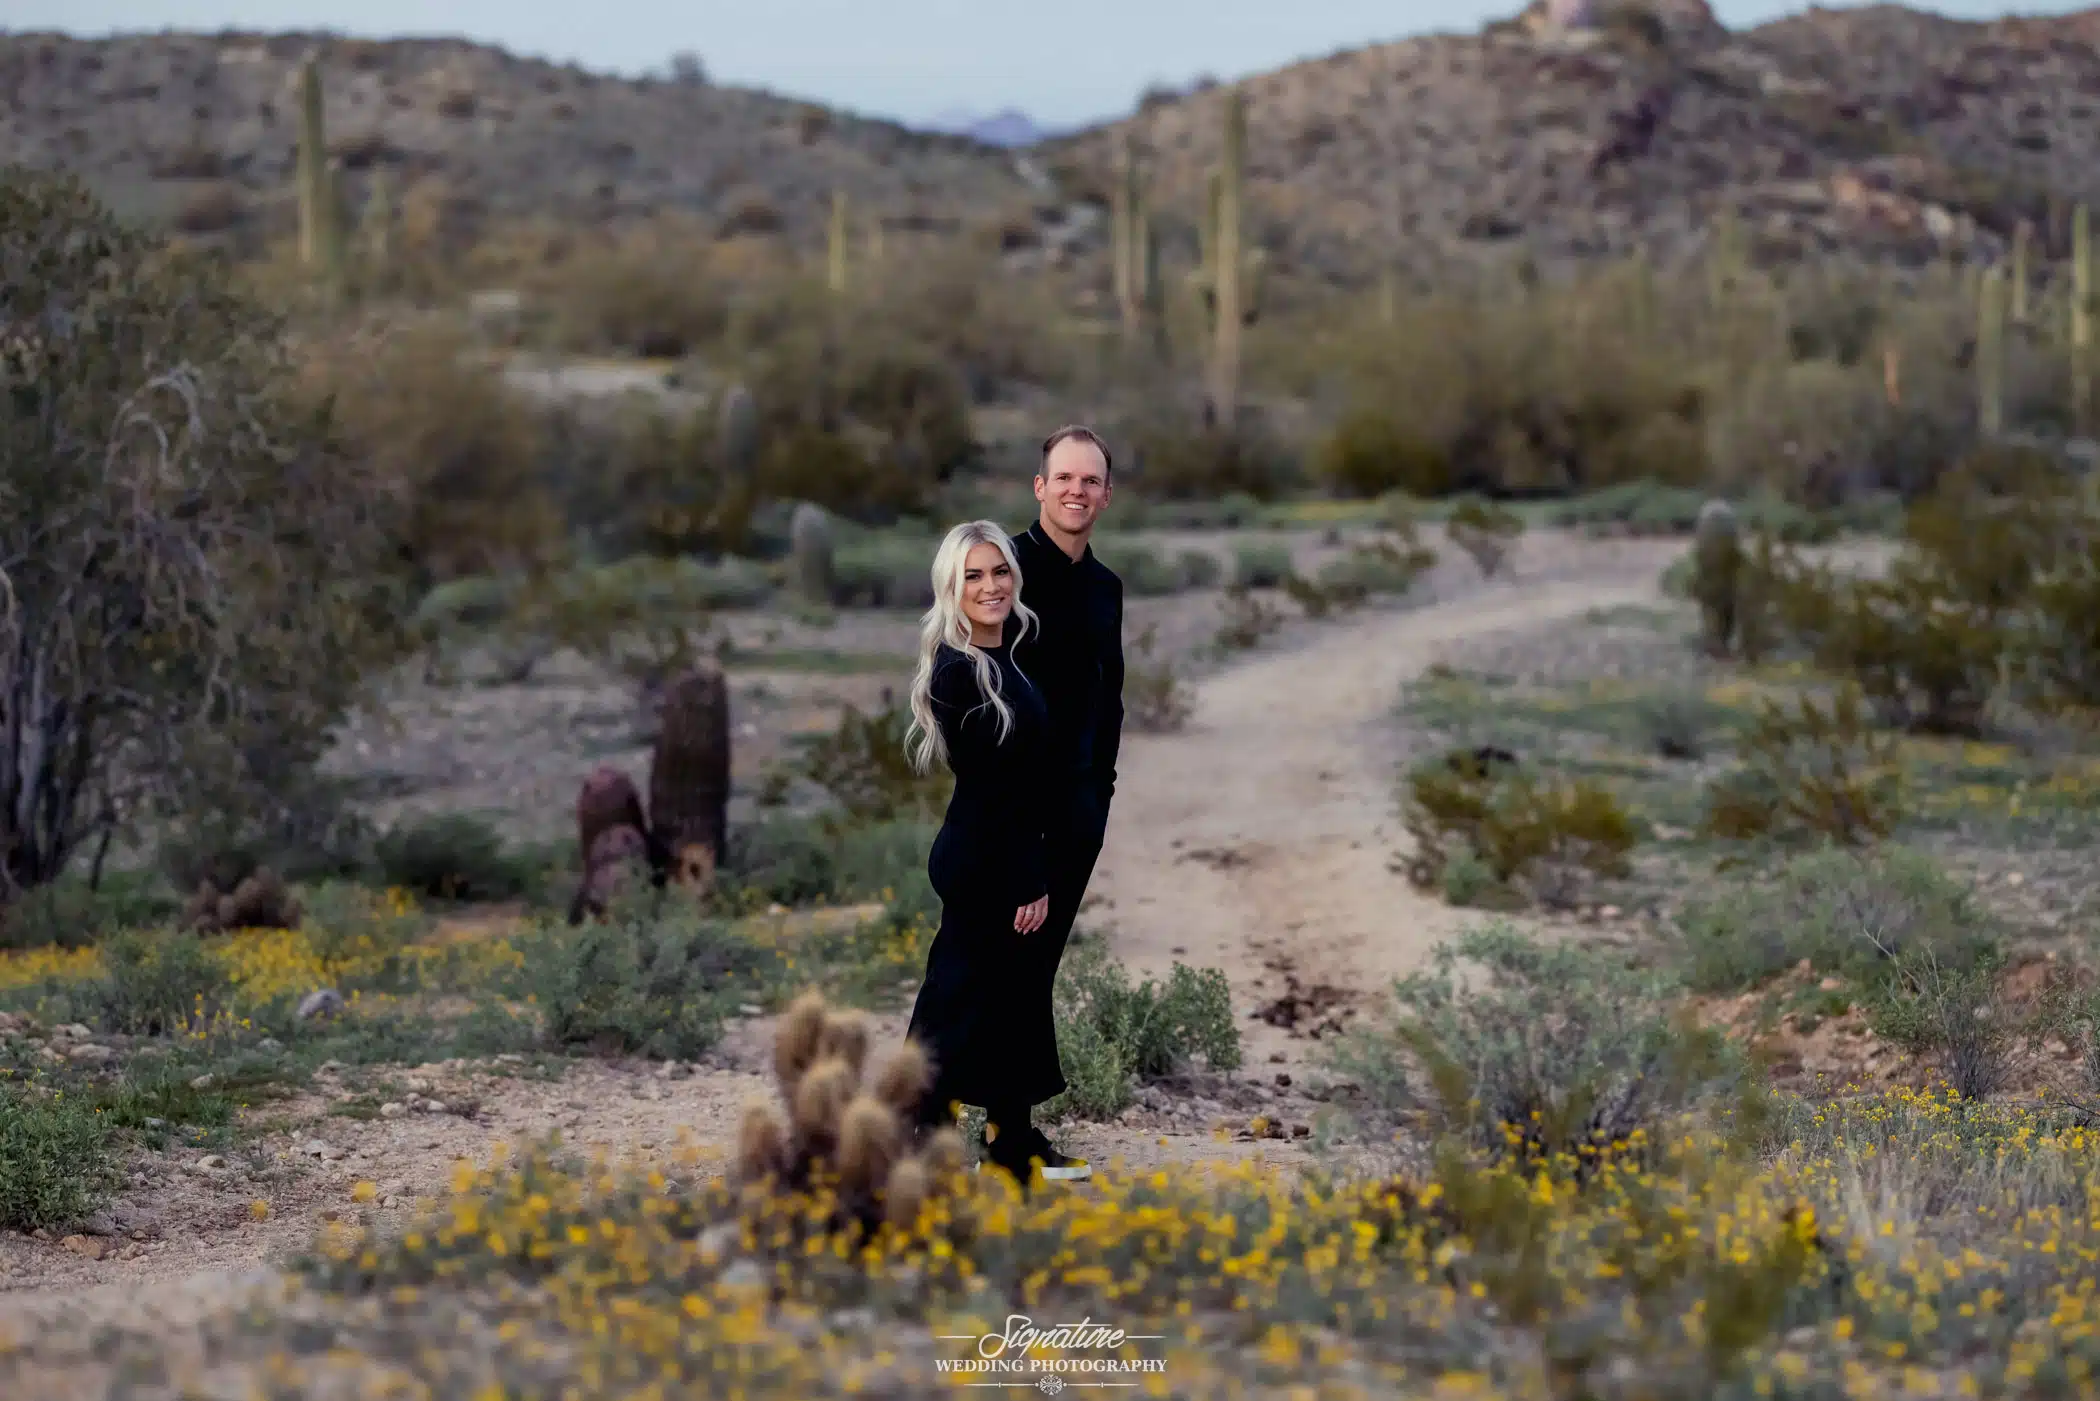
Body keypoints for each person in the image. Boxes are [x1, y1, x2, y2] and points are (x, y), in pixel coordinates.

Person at [901, 520, 1088, 1182]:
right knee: (957, 999)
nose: (990, 586)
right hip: (985, 860)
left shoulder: (1005, 656)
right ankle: (922, 1135)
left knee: (1009, 998)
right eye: (973, 575)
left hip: (997, 851)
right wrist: (1027, 876)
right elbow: (992, 789)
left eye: (1000, 571)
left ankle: (1009, 1141)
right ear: (952, 588)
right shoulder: (960, 672)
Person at [1000, 425, 1123, 1177]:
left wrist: (1098, 795)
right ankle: (923, 1124)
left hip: (1077, 813)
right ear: (1040, 487)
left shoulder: (1107, 588)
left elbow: (1110, 700)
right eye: (1065, 478)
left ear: (1106, 496)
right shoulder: (1003, 572)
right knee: (976, 968)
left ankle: (1009, 1136)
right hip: (1008, 809)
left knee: (1034, 969)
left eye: (1090, 481)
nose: (1077, 491)